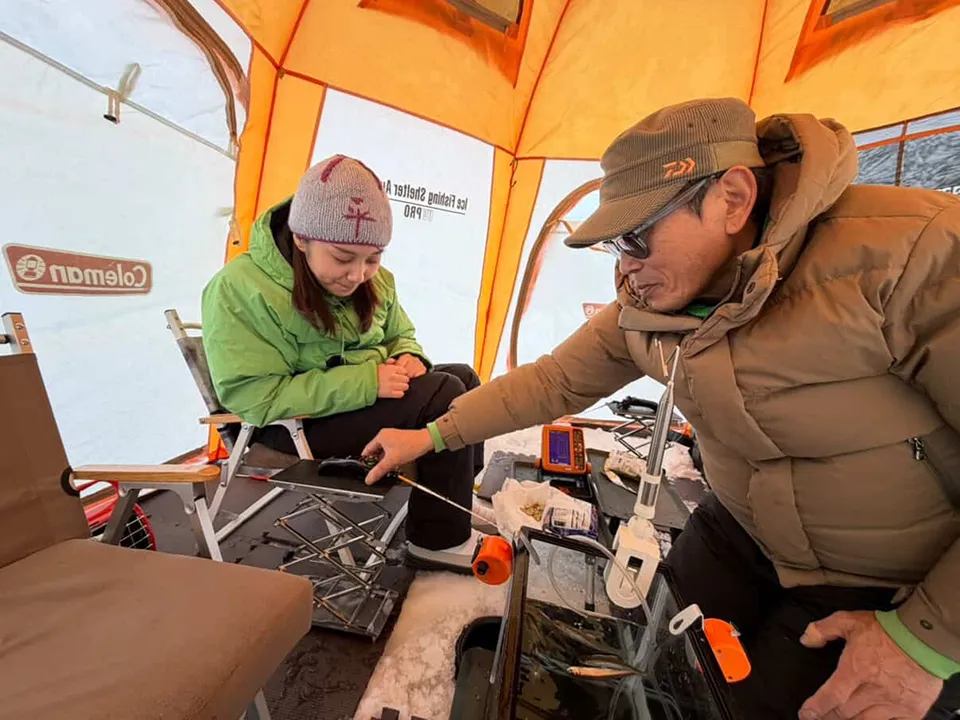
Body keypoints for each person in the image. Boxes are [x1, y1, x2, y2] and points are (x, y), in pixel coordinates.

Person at [362, 99, 960, 718]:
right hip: (741, 530)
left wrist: (926, 642)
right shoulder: (655, 302)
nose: (626, 269)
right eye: (617, 245)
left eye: (638, 238)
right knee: (649, 680)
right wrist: (432, 436)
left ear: (731, 197)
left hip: (890, 589)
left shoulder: (917, 256)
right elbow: (554, 380)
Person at [201, 154, 484, 572]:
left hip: (350, 406)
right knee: (445, 394)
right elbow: (255, 397)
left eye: (373, 259)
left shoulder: (375, 282)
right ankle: (437, 540)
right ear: (302, 238)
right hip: (289, 425)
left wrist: (409, 356)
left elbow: (399, 333)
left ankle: (453, 493)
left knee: (462, 376)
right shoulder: (239, 289)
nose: (357, 275)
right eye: (343, 257)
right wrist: (367, 382)